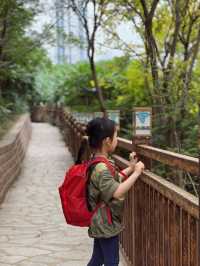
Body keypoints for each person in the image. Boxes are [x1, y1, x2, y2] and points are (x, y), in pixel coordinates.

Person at [77, 117, 145, 266]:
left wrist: (131, 168)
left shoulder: (97, 161)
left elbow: (112, 181)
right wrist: (137, 173)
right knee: (112, 261)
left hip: (99, 219)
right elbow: (117, 191)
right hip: (105, 223)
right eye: (116, 136)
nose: (117, 140)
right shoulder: (102, 168)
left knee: (98, 259)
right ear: (107, 141)